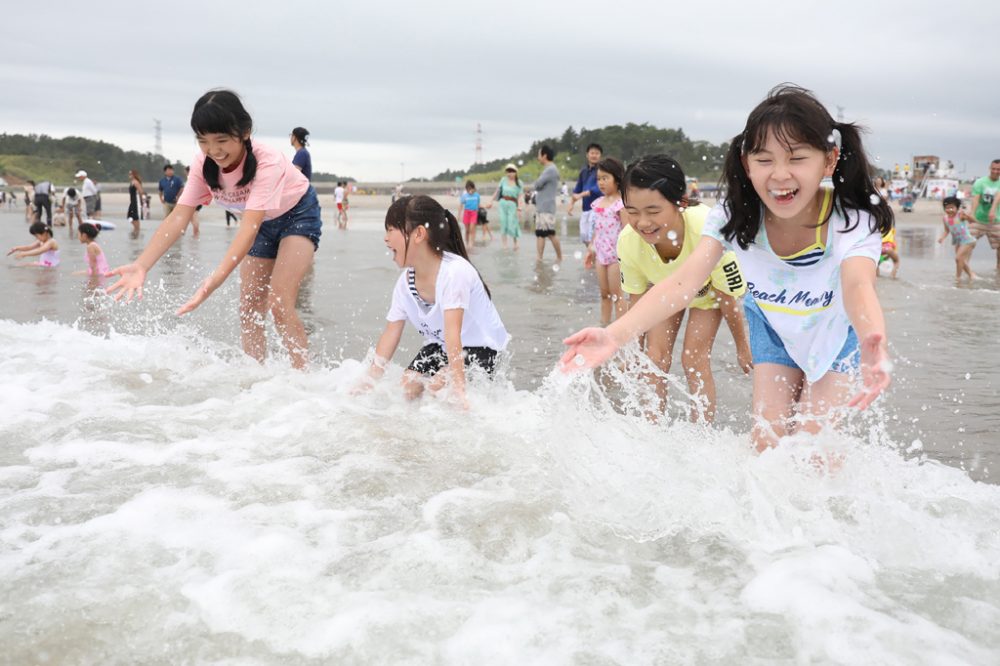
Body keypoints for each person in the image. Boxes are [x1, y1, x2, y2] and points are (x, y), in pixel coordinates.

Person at [562, 85, 893, 452]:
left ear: (829, 161)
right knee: (766, 446)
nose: (780, 175)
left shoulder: (851, 220)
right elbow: (684, 281)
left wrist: (870, 337)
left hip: (833, 335)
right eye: (764, 160)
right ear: (746, 162)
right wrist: (614, 335)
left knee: (817, 453)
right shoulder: (735, 216)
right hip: (772, 327)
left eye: (797, 158)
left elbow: (858, 286)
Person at [107, 89, 322, 370]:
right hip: (260, 222)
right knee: (248, 308)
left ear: (244, 132)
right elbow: (178, 217)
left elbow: (249, 226)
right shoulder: (202, 165)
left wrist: (214, 281)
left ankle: (302, 378)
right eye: (203, 141)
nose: (214, 150)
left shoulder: (266, 160)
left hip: (297, 213)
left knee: (279, 303)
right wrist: (142, 264)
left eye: (222, 140)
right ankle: (255, 378)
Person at [613, 154, 752, 423]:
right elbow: (636, 301)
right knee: (654, 359)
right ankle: (651, 427)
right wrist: (628, 350)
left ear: (681, 204)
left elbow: (728, 298)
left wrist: (741, 346)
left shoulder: (708, 230)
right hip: (663, 292)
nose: (643, 222)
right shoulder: (628, 241)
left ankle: (701, 431)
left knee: (693, 359)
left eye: (653, 211)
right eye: (633, 212)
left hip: (708, 294)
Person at [361, 195, 509, 406]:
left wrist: (459, 389)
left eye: (391, 229)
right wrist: (369, 379)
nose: (386, 238)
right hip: (439, 345)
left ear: (419, 234)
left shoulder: (454, 272)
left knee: (438, 385)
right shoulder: (405, 283)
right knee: (406, 387)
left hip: (482, 347)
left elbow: (452, 332)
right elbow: (391, 332)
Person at [584, 157, 627, 326]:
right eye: (598, 179)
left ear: (617, 179)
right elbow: (597, 230)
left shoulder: (620, 204)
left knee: (618, 295)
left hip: (616, 256)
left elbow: (627, 230)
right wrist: (590, 249)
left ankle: (621, 329)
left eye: (605, 178)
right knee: (604, 294)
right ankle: (604, 326)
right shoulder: (597, 203)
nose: (601, 183)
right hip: (600, 254)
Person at [567, 143, 603, 245]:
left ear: (600, 155)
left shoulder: (602, 170)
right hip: (586, 208)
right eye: (592, 153)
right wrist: (571, 204)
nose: (594, 155)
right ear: (587, 155)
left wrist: (581, 195)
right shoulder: (584, 171)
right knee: (584, 237)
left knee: (593, 237)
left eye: (597, 153)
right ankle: (591, 259)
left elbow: (597, 188)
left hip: (598, 208)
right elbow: (577, 189)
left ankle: (596, 259)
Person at [968, 159, 1000, 269]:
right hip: (978, 219)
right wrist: (972, 214)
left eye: (998, 169)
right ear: (989, 168)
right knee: (968, 243)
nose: (996, 171)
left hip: (996, 220)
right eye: (994, 169)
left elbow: (998, 197)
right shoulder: (980, 182)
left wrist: (993, 210)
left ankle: (998, 272)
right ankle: (965, 270)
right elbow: (975, 199)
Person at [533, 145, 563, 262]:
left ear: (544, 155)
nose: (538, 157)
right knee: (541, 233)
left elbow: (537, 184)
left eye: (539, 155)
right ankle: (539, 258)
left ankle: (559, 257)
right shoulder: (550, 169)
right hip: (543, 206)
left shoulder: (550, 169)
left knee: (550, 233)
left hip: (546, 206)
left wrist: (537, 182)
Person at [937, 195, 977, 282]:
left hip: (968, 240)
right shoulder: (945, 218)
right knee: (961, 260)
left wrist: (968, 216)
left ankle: (958, 278)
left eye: (952, 208)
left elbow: (973, 221)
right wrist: (942, 238)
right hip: (958, 242)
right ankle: (971, 275)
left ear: (957, 208)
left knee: (958, 258)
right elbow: (947, 230)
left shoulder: (960, 215)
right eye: (947, 208)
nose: (949, 210)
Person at [485, 164, 523, 250]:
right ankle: (504, 245)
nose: (509, 173)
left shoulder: (519, 183)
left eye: (511, 171)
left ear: (515, 172)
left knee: (513, 223)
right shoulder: (503, 180)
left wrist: (520, 208)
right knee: (503, 223)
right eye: (508, 171)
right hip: (502, 203)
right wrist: (490, 201)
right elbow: (497, 191)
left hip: (513, 204)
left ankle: (515, 243)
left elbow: (520, 197)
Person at [458, 180, 481, 248]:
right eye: (468, 189)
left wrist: (485, 206)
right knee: (467, 230)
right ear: (466, 189)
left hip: (474, 213)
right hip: (466, 213)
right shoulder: (464, 196)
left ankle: (472, 244)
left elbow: (478, 205)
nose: (470, 190)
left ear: (473, 188)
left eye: (471, 188)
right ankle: (467, 244)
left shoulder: (477, 195)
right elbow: (461, 205)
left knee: (472, 229)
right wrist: (458, 215)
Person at [126, 170, 145, 237]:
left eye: (130, 174)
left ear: (134, 175)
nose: (129, 175)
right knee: (130, 217)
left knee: (134, 217)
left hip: (136, 201)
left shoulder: (136, 182)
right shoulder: (132, 182)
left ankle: (137, 230)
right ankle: (136, 229)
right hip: (132, 201)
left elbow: (141, 191)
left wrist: (141, 201)